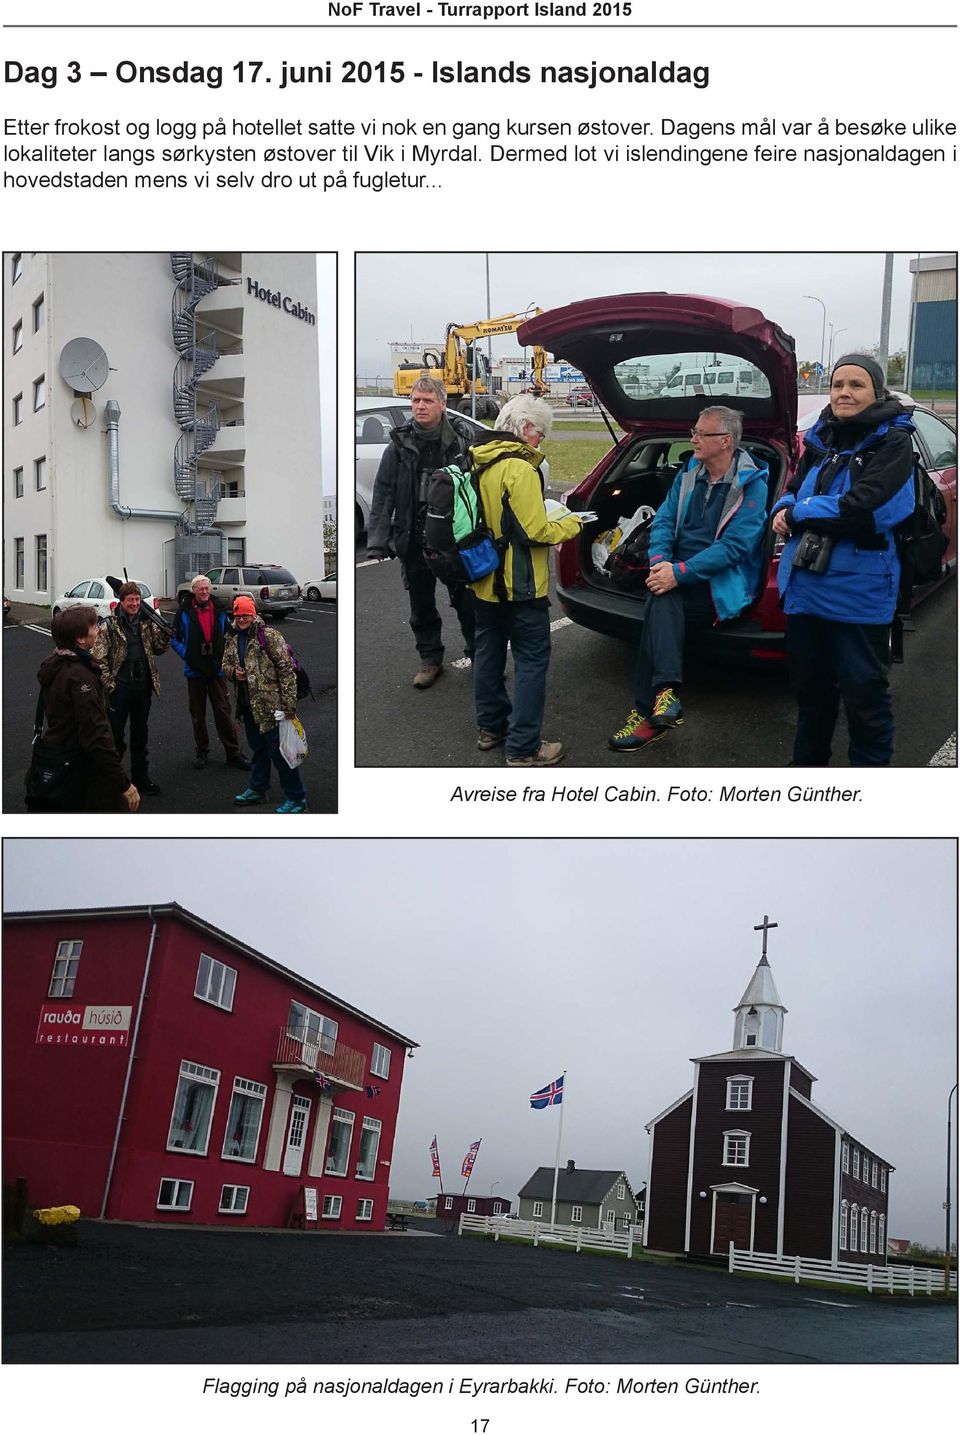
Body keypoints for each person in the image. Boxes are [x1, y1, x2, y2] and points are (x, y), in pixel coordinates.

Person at [771, 354, 915, 766]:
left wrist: (798, 513)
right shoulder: (823, 437)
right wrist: (783, 506)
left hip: (859, 596)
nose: (844, 393)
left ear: (876, 392)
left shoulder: (893, 441)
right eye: (838, 385)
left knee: (864, 699)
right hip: (805, 592)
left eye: (856, 385)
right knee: (811, 698)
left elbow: (863, 510)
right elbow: (794, 485)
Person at [609, 405, 768, 753]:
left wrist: (678, 574)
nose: (692, 438)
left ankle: (648, 709)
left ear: (725, 441)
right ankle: (664, 699)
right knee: (661, 597)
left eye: (700, 433)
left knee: (660, 602)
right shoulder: (688, 473)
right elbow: (663, 521)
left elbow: (735, 548)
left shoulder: (751, 486)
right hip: (674, 573)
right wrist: (660, 562)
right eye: (693, 431)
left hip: (717, 586)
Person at [468, 394, 582, 767]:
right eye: (541, 434)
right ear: (527, 427)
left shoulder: (478, 460)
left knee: (487, 655)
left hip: (483, 581)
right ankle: (523, 747)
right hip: (522, 585)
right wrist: (571, 523)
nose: (540, 441)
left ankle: (491, 728)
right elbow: (535, 530)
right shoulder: (519, 468)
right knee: (531, 662)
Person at [366, 375, 476, 688]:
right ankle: (430, 659)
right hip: (413, 538)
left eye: (427, 400)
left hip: (454, 538)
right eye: (415, 401)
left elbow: (478, 488)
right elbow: (383, 492)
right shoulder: (399, 445)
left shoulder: (461, 440)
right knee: (421, 604)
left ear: (442, 404)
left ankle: (480, 655)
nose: (420, 406)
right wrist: (377, 541)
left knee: (467, 602)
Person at [34, 605, 140, 812]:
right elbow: (95, 735)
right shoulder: (80, 677)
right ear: (80, 639)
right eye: (93, 626)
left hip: (59, 755)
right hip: (82, 766)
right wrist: (124, 784)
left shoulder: (54, 664)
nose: (98, 630)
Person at [223, 596, 308, 812]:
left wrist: (289, 707)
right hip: (247, 705)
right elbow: (225, 664)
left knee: (280, 754)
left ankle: (297, 798)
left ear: (254, 614)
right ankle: (258, 789)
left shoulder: (269, 636)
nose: (242, 619)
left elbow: (287, 671)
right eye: (238, 614)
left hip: (273, 708)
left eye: (246, 614)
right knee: (258, 750)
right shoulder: (232, 637)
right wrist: (234, 673)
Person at [92, 581, 170, 796]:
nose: (135, 603)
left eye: (137, 599)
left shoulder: (147, 623)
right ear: (122, 602)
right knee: (115, 738)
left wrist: (166, 634)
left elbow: (159, 649)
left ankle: (141, 778)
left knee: (140, 735)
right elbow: (98, 660)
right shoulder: (109, 625)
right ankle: (114, 782)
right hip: (120, 690)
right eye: (131, 600)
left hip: (142, 688)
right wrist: (110, 686)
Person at [169, 575, 250, 772]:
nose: (204, 592)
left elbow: (230, 634)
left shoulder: (220, 609)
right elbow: (173, 637)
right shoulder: (184, 611)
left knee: (223, 712)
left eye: (207, 588)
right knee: (198, 715)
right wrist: (186, 653)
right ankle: (202, 751)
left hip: (217, 669)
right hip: (194, 670)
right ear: (194, 590)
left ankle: (233, 753)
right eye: (201, 589)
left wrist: (229, 659)